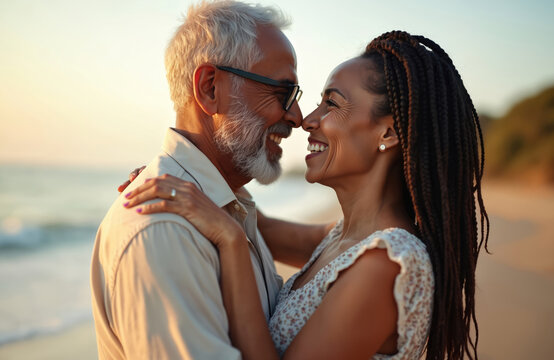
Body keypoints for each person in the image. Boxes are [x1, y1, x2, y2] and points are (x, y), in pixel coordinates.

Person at [124, 31, 489, 359]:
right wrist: (178, 173)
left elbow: (235, 227)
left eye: (332, 103)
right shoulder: (342, 238)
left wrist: (231, 242)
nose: (307, 119)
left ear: (389, 134)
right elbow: (249, 218)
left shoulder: (386, 265)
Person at [89, 1, 325, 358]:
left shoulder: (230, 209)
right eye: (282, 92)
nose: (297, 117)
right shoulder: (164, 230)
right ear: (210, 88)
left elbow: (335, 245)